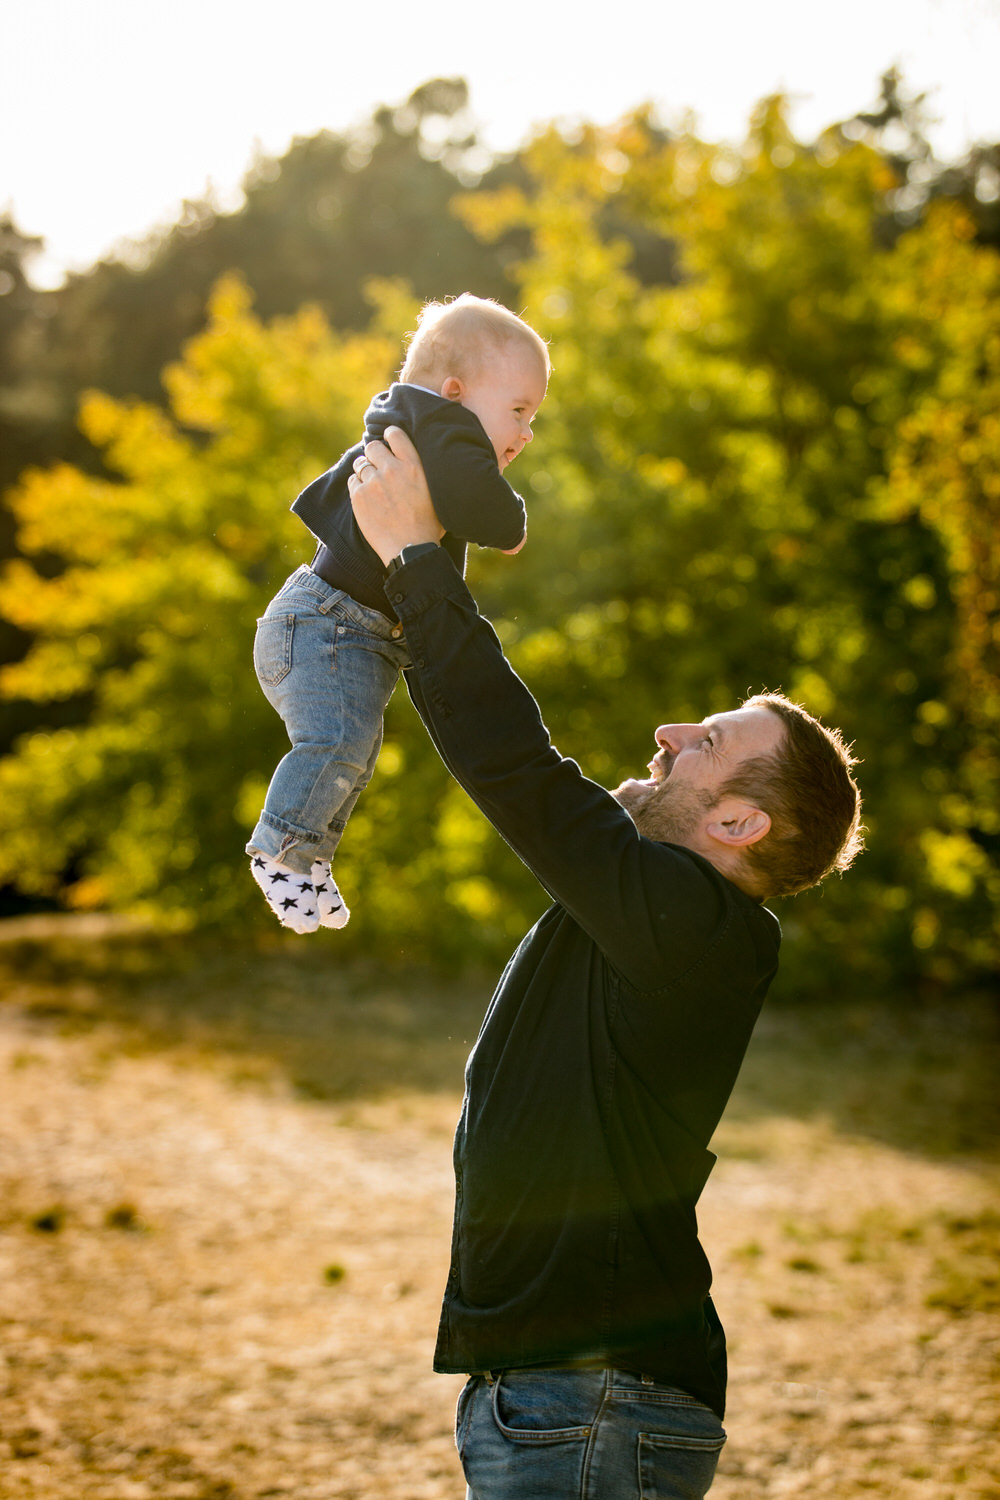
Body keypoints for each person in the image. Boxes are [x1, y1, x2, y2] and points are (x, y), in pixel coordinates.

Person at [346, 427, 863, 1500]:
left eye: (710, 742)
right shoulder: (650, 916)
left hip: (593, 1406)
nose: (672, 731)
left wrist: (415, 560)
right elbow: (519, 764)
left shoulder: (693, 925)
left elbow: (518, 769)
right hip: (570, 1403)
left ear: (736, 824)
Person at [247, 295, 550, 932]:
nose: (526, 434)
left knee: (356, 748)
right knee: (338, 742)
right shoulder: (443, 426)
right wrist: (515, 526)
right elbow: (492, 514)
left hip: (334, 628)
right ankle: (281, 851)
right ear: (456, 391)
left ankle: (313, 855)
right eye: (519, 411)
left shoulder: (416, 420)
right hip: (330, 625)